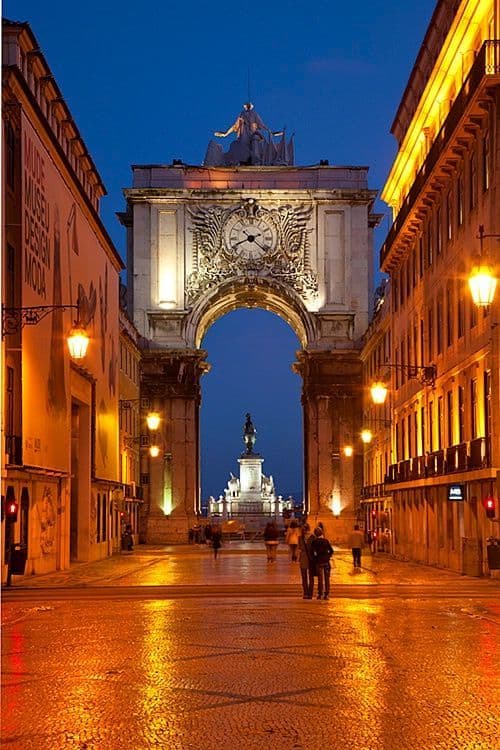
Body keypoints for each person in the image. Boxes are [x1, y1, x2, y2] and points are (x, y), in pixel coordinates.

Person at [311, 526, 334, 600]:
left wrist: (315, 559)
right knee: (327, 579)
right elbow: (331, 551)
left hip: (319, 562)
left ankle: (320, 593)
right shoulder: (325, 541)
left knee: (320, 579)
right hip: (326, 562)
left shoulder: (314, 542)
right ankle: (327, 594)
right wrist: (328, 557)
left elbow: (312, 552)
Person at [298, 523, 315, 599]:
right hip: (311, 559)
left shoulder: (300, 538)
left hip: (303, 558)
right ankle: (310, 594)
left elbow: (300, 548)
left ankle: (305, 593)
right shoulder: (313, 537)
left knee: (304, 577)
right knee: (311, 577)